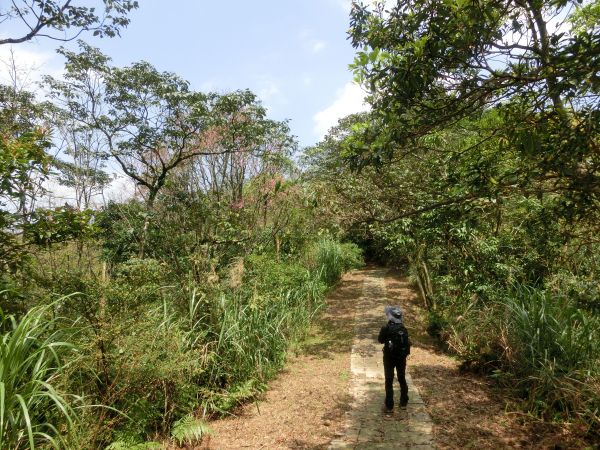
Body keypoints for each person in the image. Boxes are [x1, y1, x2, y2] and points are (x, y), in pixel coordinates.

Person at [378, 305, 410, 410]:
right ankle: (404, 403)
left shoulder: (386, 328)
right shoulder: (403, 329)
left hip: (389, 358)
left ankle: (389, 406)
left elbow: (380, 340)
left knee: (389, 380)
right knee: (401, 378)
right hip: (401, 358)